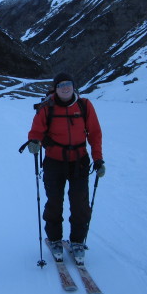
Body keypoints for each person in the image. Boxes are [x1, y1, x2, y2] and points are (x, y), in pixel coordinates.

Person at [26, 72, 105, 264]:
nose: (65, 88)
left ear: (74, 86)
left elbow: (94, 134)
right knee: (54, 201)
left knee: (80, 203)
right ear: (56, 88)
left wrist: (98, 159)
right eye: (61, 85)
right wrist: (34, 142)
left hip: (79, 161)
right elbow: (36, 130)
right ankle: (54, 239)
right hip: (54, 161)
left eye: (68, 84)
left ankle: (77, 241)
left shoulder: (84, 106)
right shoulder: (47, 107)